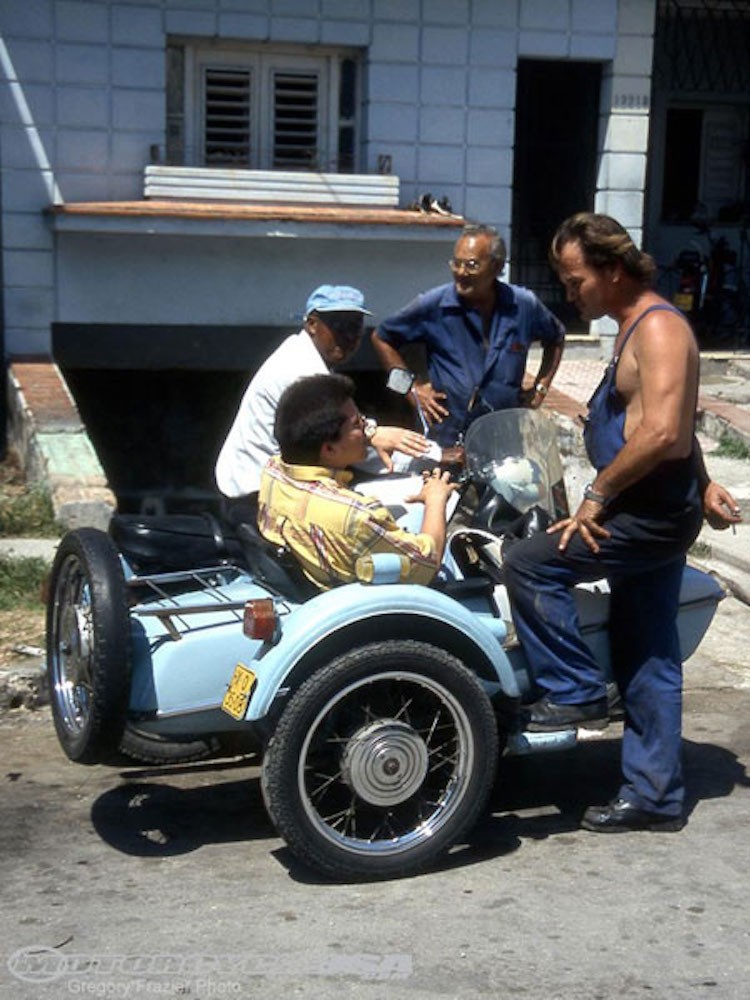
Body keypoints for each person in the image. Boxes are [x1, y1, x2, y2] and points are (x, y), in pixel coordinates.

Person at [502, 212, 742, 834]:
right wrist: (707, 482)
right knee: (650, 650)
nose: (569, 290)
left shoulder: (658, 330)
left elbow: (663, 432)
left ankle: (575, 688)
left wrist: (597, 497)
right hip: (659, 504)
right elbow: (678, 420)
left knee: (529, 562)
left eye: (575, 277)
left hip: (646, 513)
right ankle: (655, 795)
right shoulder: (632, 325)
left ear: (611, 270)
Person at [215, 284, 434, 525]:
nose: (349, 337)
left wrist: (378, 438)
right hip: (258, 496)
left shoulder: (303, 353)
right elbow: (345, 443)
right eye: (339, 327)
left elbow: (348, 440)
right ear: (311, 324)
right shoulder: (302, 371)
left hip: (276, 486)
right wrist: (429, 457)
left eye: (355, 328)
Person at [371, 223, 566, 448]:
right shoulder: (433, 305)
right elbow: (382, 338)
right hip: (445, 437)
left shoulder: (523, 305)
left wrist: (540, 388)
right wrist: (411, 390)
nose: (461, 272)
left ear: (497, 266)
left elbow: (556, 337)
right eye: (456, 263)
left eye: (471, 265)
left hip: (503, 437)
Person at [258, 373, 457, 590]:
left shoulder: (273, 472)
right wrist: (435, 498)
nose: (368, 430)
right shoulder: (357, 516)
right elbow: (426, 564)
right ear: (329, 449)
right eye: (357, 424)